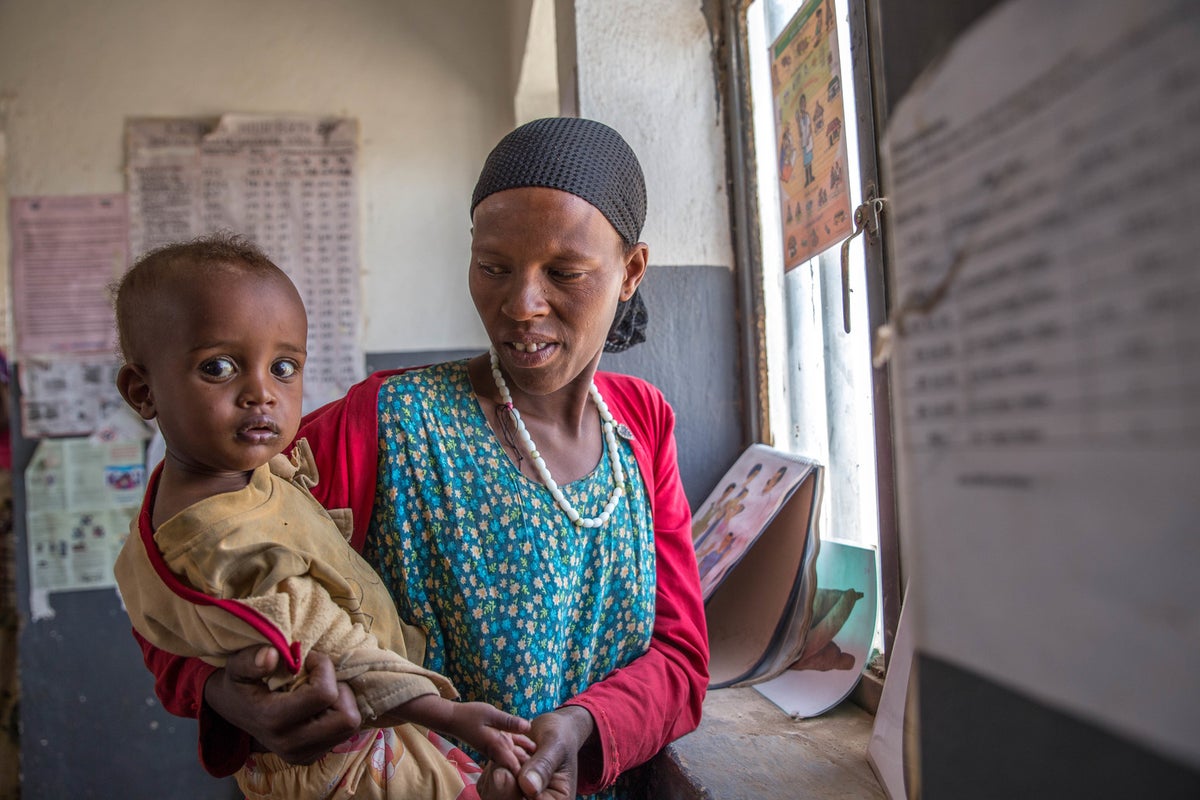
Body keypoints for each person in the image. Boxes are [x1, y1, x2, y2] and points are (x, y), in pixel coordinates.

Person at [135, 117, 710, 800]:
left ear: (630, 272)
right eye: (493, 267)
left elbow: (680, 657)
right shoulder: (385, 424)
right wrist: (226, 694)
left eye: (565, 272)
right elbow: (187, 563)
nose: (522, 304)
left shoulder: (640, 425)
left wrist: (585, 726)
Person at [110, 234, 531, 799]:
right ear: (143, 391)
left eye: (284, 367)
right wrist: (447, 713)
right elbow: (325, 637)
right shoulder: (219, 535)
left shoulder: (241, 476)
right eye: (218, 367)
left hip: (384, 732)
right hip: (343, 762)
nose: (261, 393)